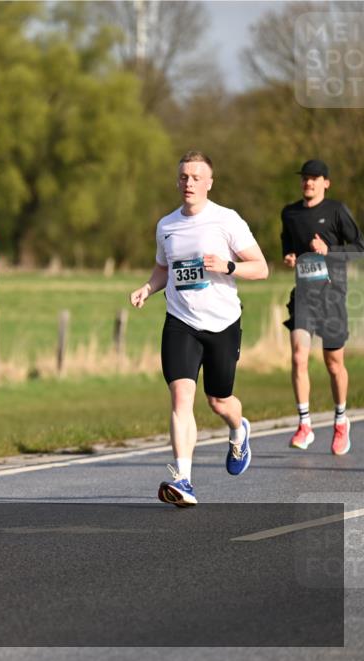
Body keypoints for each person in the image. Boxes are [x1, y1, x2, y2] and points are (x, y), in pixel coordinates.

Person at [130, 151, 269, 507]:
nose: (188, 183)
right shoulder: (167, 225)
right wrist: (148, 287)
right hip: (181, 322)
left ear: (209, 182)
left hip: (222, 323)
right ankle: (184, 480)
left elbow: (261, 268)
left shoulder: (227, 220)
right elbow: (164, 268)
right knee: (180, 398)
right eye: (183, 177)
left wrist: (228, 266)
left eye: (195, 177)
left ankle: (239, 430)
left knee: (219, 400)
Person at [281, 159, 363, 456]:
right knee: (298, 356)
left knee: (333, 364)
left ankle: (341, 421)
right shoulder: (289, 213)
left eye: (315, 178)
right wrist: (290, 258)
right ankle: (305, 425)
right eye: (305, 178)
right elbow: (288, 248)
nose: (309, 182)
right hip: (303, 295)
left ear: (326, 182)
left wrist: (331, 251)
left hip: (332, 296)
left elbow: (360, 249)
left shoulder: (337, 211)